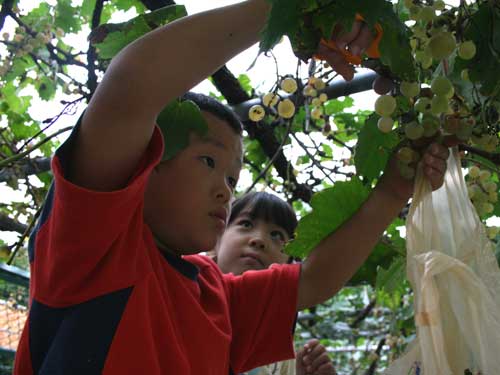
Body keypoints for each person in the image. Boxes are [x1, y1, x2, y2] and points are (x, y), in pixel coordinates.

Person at [13, 1, 452, 374]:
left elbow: (313, 280)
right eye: (208, 160)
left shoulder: (214, 294)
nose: (225, 192)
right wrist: (288, 9)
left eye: (231, 178)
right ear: (143, 165)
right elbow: (130, 88)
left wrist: (393, 191)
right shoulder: (94, 244)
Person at [214, 191, 335, 375]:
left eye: (277, 236)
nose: (260, 240)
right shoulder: (187, 291)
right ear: (217, 238)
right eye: (246, 224)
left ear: (288, 265)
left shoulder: (281, 357)